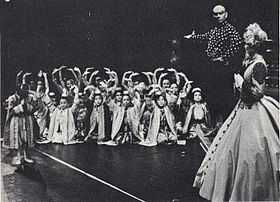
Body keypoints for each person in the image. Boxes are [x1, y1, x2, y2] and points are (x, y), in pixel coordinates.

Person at [193, 23, 280, 201]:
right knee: (229, 151)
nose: (244, 45)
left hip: (254, 112)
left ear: (254, 45)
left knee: (252, 154)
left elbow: (258, 93)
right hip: (243, 109)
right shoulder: (247, 60)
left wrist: (242, 85)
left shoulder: (259, 64)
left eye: (247, 43)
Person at [184, 4, 242, 126]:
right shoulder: (215, 29)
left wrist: (224, 57)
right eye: (215, 14)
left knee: (224, 98)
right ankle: (215, 126)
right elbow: (205, 36)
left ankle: (225, 126)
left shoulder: (230, 29)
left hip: (223, 70)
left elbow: (237, 44)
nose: (218, 16)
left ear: (226, 14)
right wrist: (192, 37)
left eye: (220, 13)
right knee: (213, 97)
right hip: (212, 68)